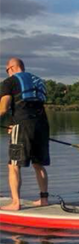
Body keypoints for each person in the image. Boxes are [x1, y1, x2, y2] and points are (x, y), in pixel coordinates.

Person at [0, 57, 50, 212]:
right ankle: (44, 200)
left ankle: (15, 203)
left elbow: (3, 108)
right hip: (42, 125)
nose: (7, 73)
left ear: (12, 68)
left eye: (6, 70)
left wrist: (17, 125)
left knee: (13, 165)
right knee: (38, 164)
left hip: (22, 126)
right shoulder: (38, 80)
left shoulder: (9, 82)